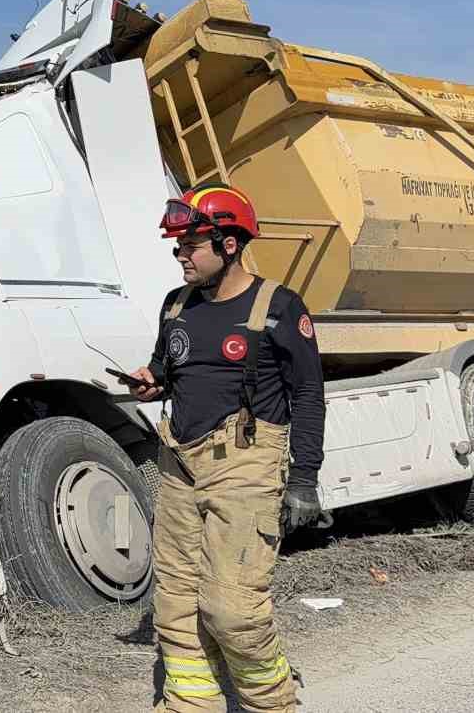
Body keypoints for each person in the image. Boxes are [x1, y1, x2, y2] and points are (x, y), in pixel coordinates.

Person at [124, 183, 326, 713]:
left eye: (191, 245)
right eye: (178, 247)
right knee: (176, 604)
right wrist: (152, 381)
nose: (181, 257)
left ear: (229, 244)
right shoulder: (177, 306)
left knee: (232, 608)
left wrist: (305, 479)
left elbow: (307, 395)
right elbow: (171, 369)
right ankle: (191, 704)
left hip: (246, 464)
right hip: (179, 464)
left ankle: (271, 703)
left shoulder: (279, 307)